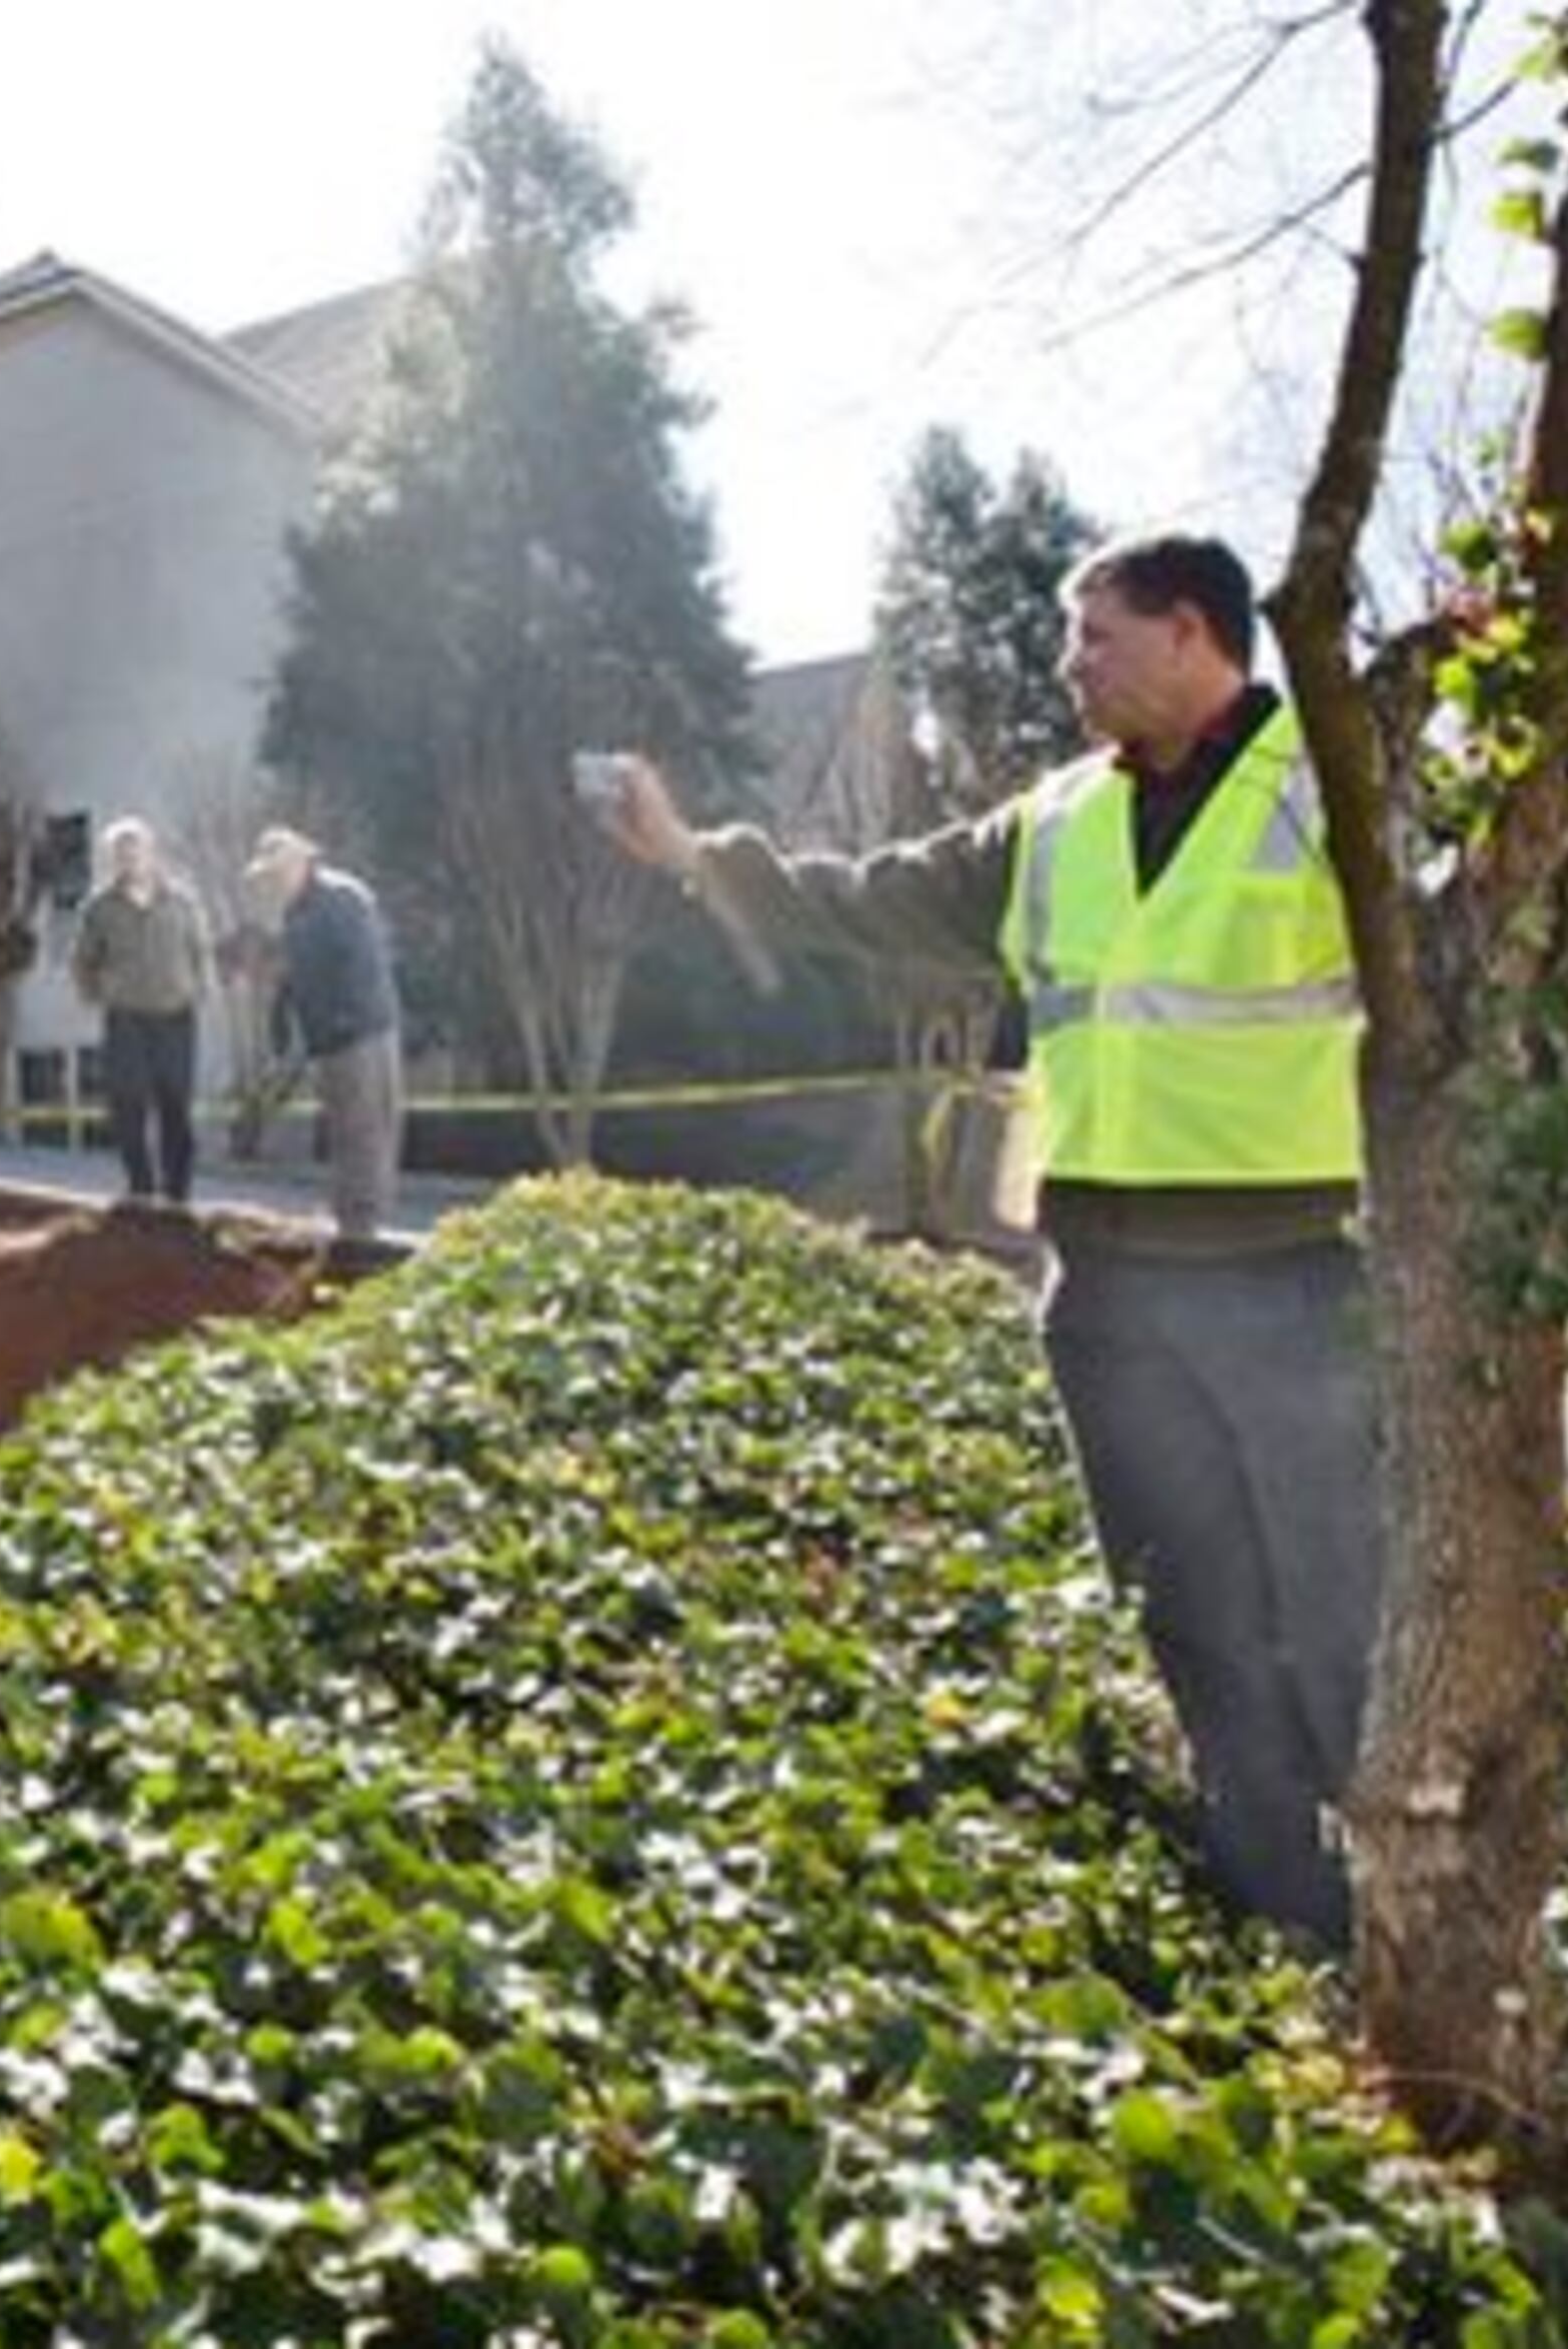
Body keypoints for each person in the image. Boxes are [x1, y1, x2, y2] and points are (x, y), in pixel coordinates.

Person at [587, 531, 1379, 1948]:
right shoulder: (1056, 821)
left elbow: (1444, 992)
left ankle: (1403, 1895)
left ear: (1193, 632)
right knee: (1185, 1600)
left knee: (1337, 1599)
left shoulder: (1335, 797)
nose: (1069, 665)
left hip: (1285, 1278)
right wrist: (698, 857)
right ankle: (1281, 1906)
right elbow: (876, 894)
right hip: (1106, 1287)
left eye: (1096, 638)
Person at [243, 825, 401, 1252]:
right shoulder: (295, 913)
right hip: (328, 1040)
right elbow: (291, 985)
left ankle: (361, 1230)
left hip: (361, 1035)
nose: (273, 882)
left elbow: (364, 968)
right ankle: (351, 1222)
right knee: (344, 1132)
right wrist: (282, 1045)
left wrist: (343, 1023)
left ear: (302, 862)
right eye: (268, 875)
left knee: (365, 1131)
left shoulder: (343, 898)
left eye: (278, 871)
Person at [68, 818, 216, 1205]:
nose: (129, 860)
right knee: (128, 1104)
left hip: (176, 1017)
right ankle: (140, 1188)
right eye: (120, 854)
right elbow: (83, 962)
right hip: (127, 1019)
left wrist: (201, 990)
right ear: (112, 861)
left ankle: (178, 1195)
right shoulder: (98, 908)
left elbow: (201, 951)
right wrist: (98, 993)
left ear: (151, 854)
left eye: (136, 851)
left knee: (176, 1107)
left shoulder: (182, 902)